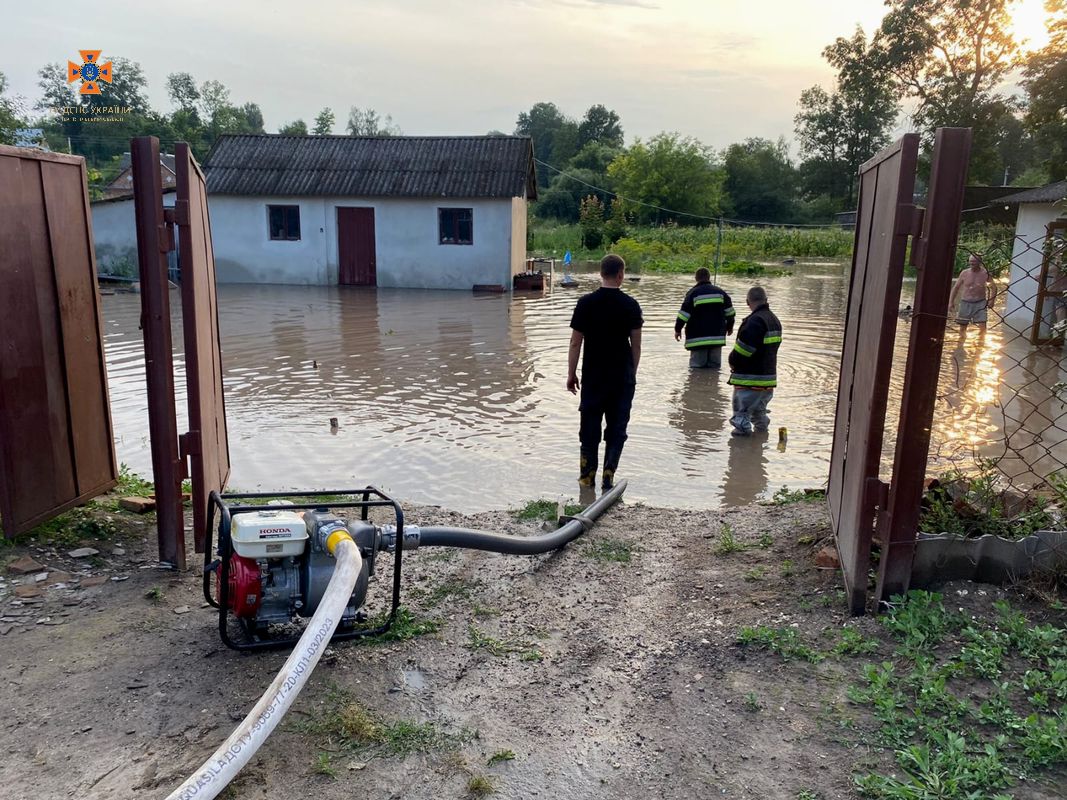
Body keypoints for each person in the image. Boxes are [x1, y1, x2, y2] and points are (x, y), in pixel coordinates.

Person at [567, 254, 644, 490]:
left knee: (589, 427)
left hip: (593, 378)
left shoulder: (585, 303)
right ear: (621, 275)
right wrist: (631, 373)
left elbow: (575, 343)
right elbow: (637, 345)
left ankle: (586, 478)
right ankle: (608, 475)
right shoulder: (631, 305)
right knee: (617, 428)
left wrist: (571, 374)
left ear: (601, 273)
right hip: (621, 378)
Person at [728, 286, 781, 436]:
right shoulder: (774, 320)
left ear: (747, 302)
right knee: (759, 414)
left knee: (741, 419)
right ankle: (760, 444)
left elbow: (742, 352)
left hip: (749, 380)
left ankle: (741, 452)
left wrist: (731, 362)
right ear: (766, 300)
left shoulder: (754, 321)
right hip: (767, 381)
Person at [674, 267, 735, 368]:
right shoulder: (720, 293)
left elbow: (683, 315)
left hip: (698, 339)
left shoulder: (692, 293)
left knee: (696, 369)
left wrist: (677, 329)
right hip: (717, 338)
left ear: (696, 278)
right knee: (715, 369)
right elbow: (730, 313)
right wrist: (730, 327)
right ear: (709, 277)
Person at [948, 253, 997, 334]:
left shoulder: (985, 273)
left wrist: (992, 300)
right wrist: (951, 302)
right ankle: (961, 344)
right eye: (970, 261)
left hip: (980, 303)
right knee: (962, 328)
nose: (971, 263)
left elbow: (994, 287)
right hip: (965, 302)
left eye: (974, 261)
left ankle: (981, 343)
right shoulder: (964, 273)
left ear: (980, 262)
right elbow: (955, 288)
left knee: (982, 327)